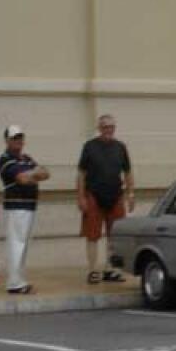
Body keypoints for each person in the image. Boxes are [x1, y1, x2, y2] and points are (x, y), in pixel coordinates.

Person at [76, 113, 134, 284]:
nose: (108, 130)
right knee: (92, 235)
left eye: (111, 127)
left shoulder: (120, 147)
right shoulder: (89, 146)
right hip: (94, 195)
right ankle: (93, 270)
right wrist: (81, 197)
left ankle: (111, 269)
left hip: (116, 195)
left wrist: (131, 194)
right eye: (105, 127)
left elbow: (128, 172)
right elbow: (81, 173)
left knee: (114, 235)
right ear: (99, 128)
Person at [0, 125, 50, 294]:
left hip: (29, 205)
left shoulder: (26, 158)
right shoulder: (5, 159)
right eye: (14, 138)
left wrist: (32, 174)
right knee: (15, 244)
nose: (18, 141)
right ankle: (14, 282)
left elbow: (45, 173)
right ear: (7, 140)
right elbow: (21, 179)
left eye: (20, 137)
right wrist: (34, 174)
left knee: (23, 244)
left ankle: (20, 279)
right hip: (16, 206)